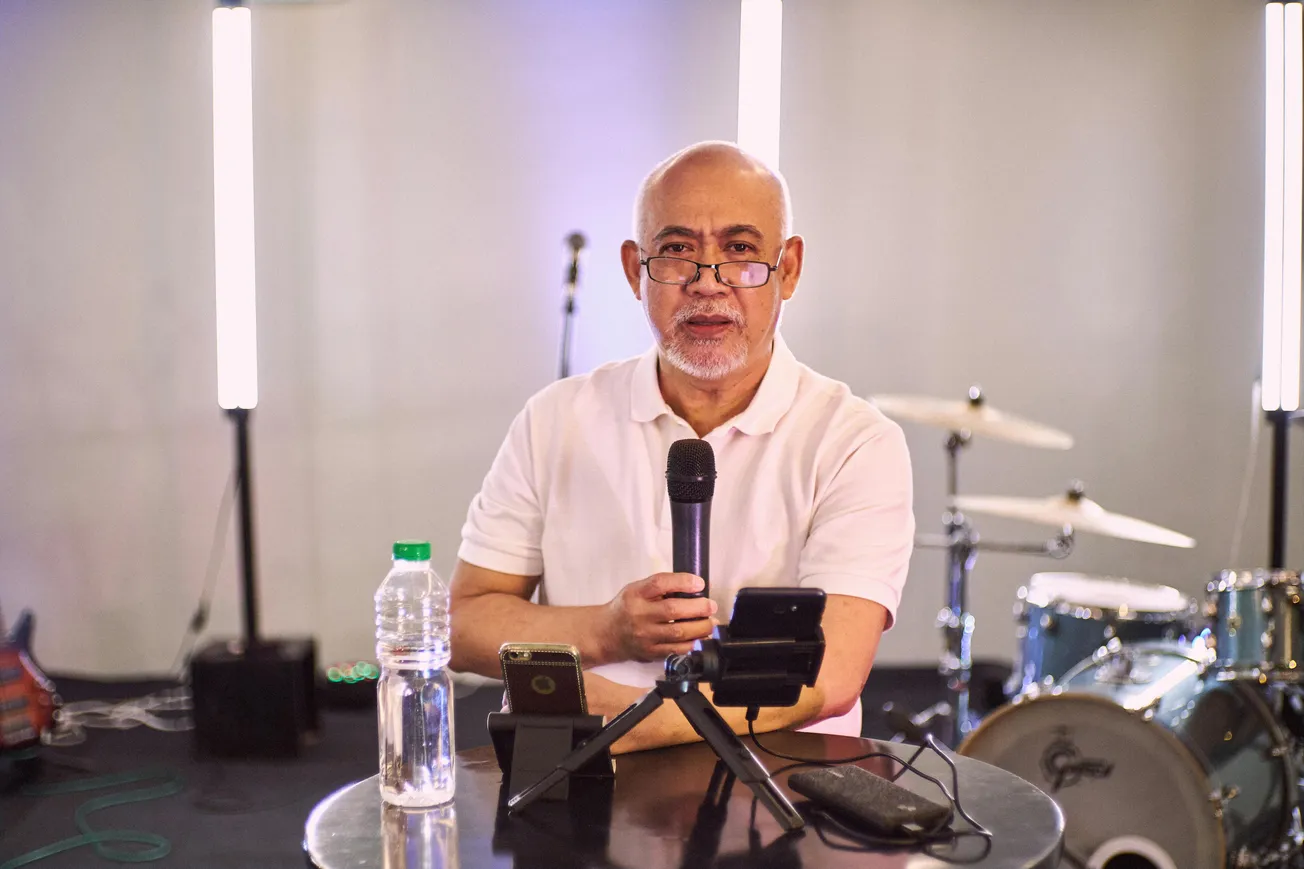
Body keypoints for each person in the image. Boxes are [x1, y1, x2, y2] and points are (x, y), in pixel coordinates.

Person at [449, 141, 914, 753]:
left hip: (778, 783)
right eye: (676, 252)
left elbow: (831, 678)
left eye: (741, 252)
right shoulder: (556, 419)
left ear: (790, 268)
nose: (706, 283)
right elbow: (462, 625)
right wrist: (607, 631)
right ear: (633, 269)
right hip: (578, 775)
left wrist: (637, 722)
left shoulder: (855, 442)